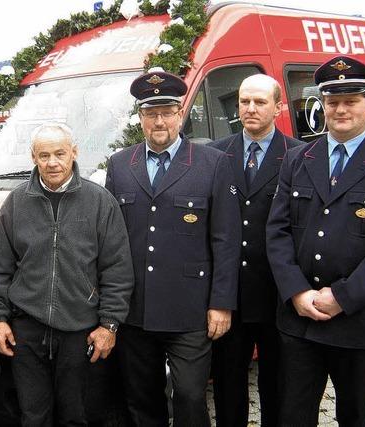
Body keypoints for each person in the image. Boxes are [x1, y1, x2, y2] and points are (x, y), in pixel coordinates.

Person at [105, 68, 241, 426]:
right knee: (142, 400)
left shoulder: (212, 163)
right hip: (136, 309)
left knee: (190, 397)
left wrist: (221, 303)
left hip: (190, 310)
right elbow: (111, 238)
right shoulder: (120, 165)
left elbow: (226, 240)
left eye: (166, 112)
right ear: (140, 119)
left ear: (181, 114)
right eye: (151, 114)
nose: (159, 121)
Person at [0, 122, 133, 426]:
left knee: (76, 417)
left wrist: (110, 325)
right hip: (27, 329)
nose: (52, 163)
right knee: (33, 417)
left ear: (74, 153)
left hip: (80, 330)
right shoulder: (17, 203)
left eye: (60, 153)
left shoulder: (99, 201)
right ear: (34, 158)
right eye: (44, 155)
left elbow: (117, 269)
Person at [266, 55, 365, 426]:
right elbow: (277, 232)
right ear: (322, 105)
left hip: (359, 324)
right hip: (301, 323)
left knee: (353, 416)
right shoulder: (298, 159)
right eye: (332, 102)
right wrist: (297, 292)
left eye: (350, 101)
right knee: (293, 416)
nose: (340, 110)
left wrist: (342, 297)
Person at [208, 74, 302, 427]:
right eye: (244, 101)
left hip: (278, 297)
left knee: (277, 388)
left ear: (278, 107)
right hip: (229, 297)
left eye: (260, 102)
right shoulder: (216, 155)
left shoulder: (298, 155)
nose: (249, 108)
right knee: (229, 390)